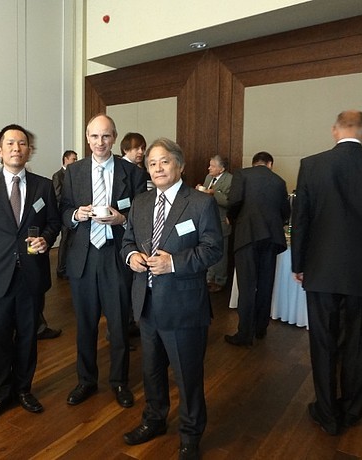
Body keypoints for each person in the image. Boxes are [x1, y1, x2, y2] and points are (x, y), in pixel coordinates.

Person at [291, 110, 362, 435]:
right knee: (361, 343)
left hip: (321, 269)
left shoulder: (311, 165)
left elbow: (301, 221)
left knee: (323, 343)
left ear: (334, 131)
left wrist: (299, 264)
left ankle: (327, 413)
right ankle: (353, 410)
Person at [121, 138, 222, 460]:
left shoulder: (200, 203)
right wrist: (131, 257)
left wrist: (174, 263)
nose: (158, 168)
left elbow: (213, 249)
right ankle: (154, 420)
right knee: (151, 371)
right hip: (147, 303)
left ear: (179, 165)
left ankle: (191, 434)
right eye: (152, 163)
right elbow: (127, 242)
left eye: (164, 161)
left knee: (187, 376)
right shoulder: (140, 203)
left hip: (184, 307)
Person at [0, 124, 61, 424]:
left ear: (29, 150)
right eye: (10, 143)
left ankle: (23, 389)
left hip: (31, 274)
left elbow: (54, 222)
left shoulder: (43, 186)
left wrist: (46, 238)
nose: (16, 149)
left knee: (28, 336)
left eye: (22, 143)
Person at [61, 114, 146, 408]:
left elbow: (142, 214)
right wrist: (76, 215)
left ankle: (119, 381)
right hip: (83, 257)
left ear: (114, 138)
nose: (100, 142)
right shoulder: (73, 172)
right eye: (95, 136)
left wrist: (122, 219)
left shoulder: (132, 173)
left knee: (119, 325)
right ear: (87, 138)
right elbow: (63, 210)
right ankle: (85, 380)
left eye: (106, 136)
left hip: (116, 255)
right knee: (85, 325)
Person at [225, 151, 290, 346]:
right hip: (271, 238)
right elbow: (285, 212)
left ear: (254, 163)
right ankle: (261, 328)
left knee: (247, 286)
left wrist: (233, 219)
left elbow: (234, 201)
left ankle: (245, 334)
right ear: (270, 164)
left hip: (247, 235)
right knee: (265, 284)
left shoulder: (242, 174)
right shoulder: (279, 181)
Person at [196, 155, 233, 292]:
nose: (209, 168)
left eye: (212, 166)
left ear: (221, 168)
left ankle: (220, 280)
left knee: (221, 254)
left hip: (222, 220)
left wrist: (213, 193)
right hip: (207, 221)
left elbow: (229, 201)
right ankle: (209, 278)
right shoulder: (208, 178)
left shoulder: (230, 179)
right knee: (208, 249)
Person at [52, 150, 77, 279]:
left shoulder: (75, 174)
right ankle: (61, 268)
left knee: (71, 240)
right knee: (65, 240)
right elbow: (57, 195)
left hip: (74, 213)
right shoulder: (58, 176)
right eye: (73, 159)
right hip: (64, 212)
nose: (75, 161)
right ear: (66, 159)